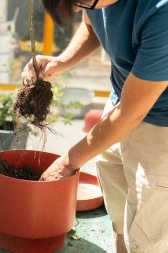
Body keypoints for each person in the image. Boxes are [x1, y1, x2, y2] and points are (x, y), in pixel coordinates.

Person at [21, 0, 168, 252]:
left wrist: (68, 161)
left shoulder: (161, 13)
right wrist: (62, 62)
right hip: (123, 99)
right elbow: (92, 26)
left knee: (149, 230)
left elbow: (129, 113)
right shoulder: (94, 3)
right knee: (117, 197)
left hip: (160, 126)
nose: (77, 9)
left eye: (79, 2)